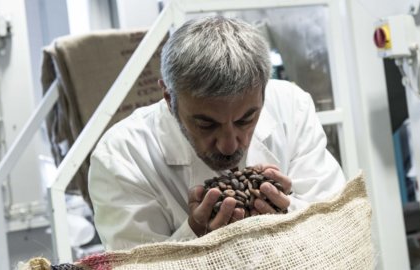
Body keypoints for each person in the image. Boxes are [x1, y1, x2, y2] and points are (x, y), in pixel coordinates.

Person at [88, 16, 346, 251]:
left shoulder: (291, 106)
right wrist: (195, 236)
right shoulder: (123, 155)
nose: (229, 145)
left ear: (264, 92)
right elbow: (134, 265)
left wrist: (290, 211)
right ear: (169, 99)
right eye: (207, 124)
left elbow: (338, 219)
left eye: (246, 119)